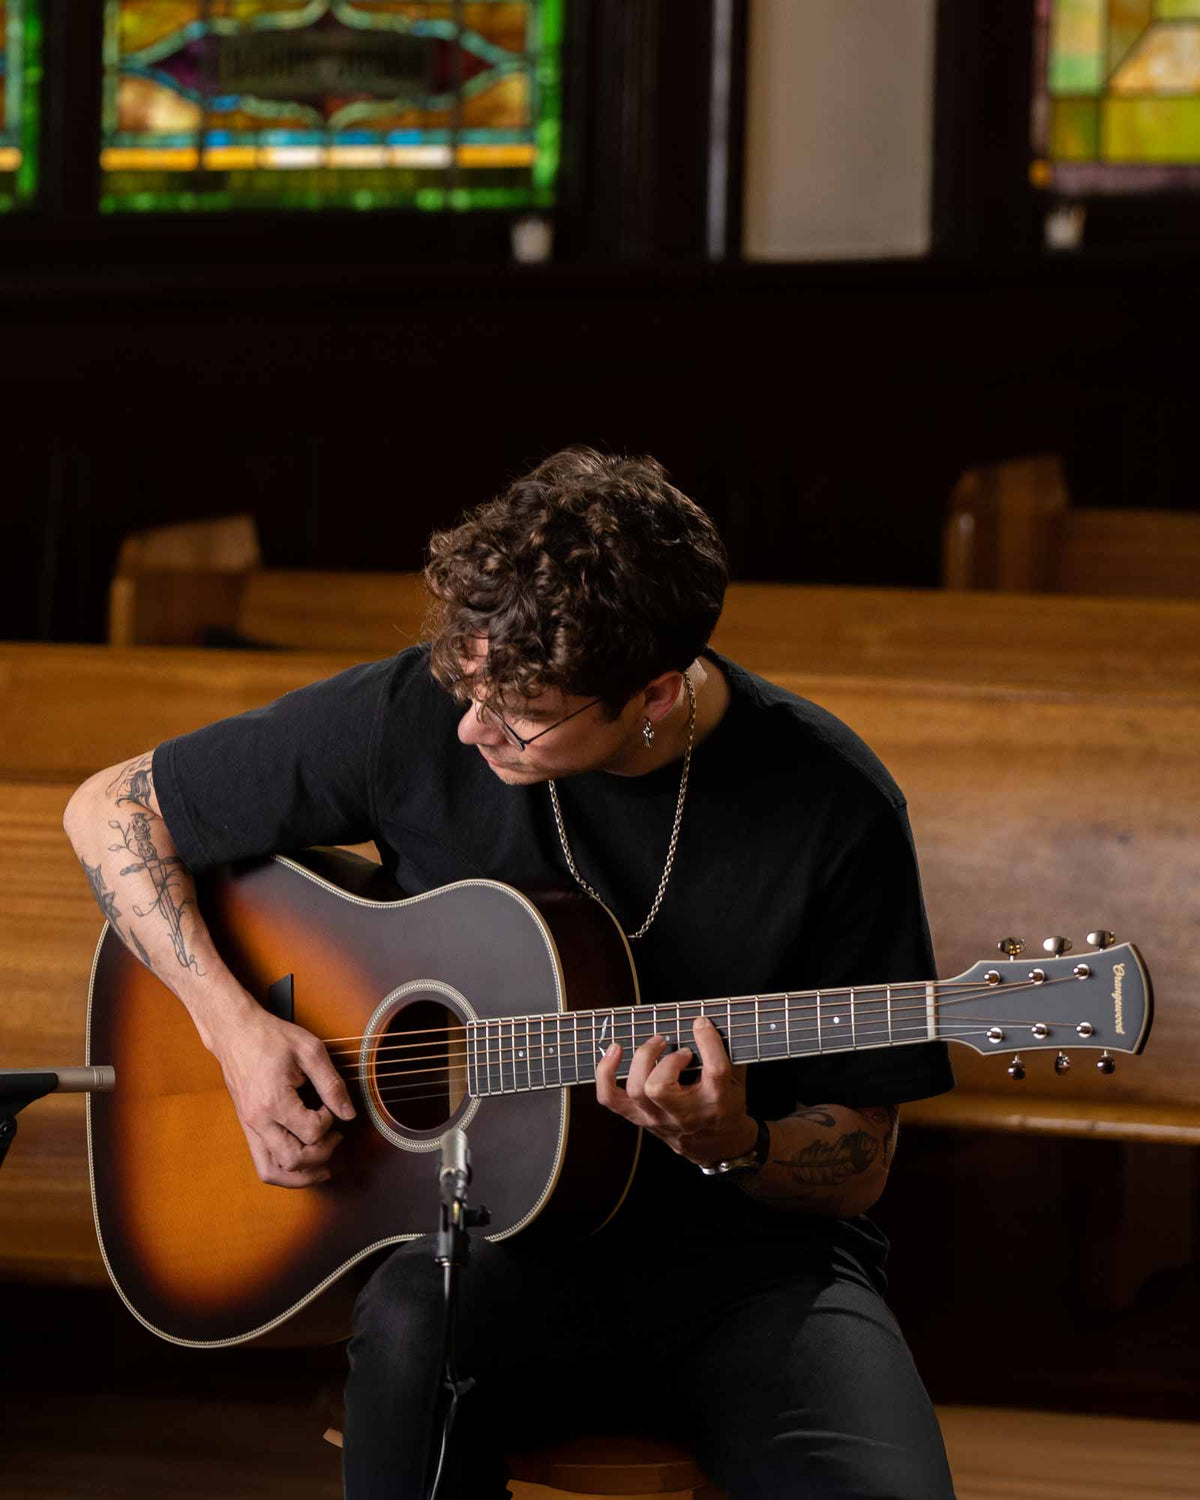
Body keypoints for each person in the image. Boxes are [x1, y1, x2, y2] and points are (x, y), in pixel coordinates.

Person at [65, 447, 957, 1499]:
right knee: (411, 1322)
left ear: (655, 693)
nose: (469, 728)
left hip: (753, 1272)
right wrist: (235, 1029)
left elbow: (860, 1156)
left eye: (518, 712)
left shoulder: (833, 804)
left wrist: (739, 1140)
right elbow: (110, 809)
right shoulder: (422, 712)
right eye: (465, 684)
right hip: (490, 1256)